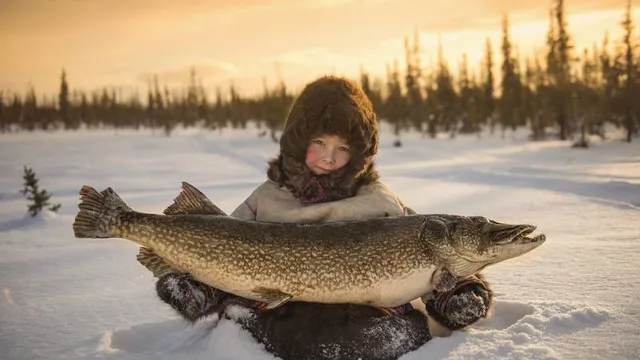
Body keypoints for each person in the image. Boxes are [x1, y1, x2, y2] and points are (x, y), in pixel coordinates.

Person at [154, 75, 493, 360]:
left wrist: (458, 294)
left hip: (367, 318)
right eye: (319, 142)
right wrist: (200, 290)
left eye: (343, 148)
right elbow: (224, 248)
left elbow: (432, 252)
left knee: (374, 339)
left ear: (359, 154)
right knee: (272, 332)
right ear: (298, 142)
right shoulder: (267, 198)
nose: (330, 158)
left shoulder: (379, 201)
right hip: (281, 315)